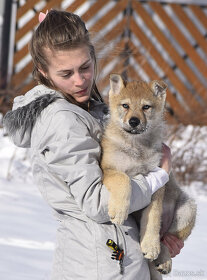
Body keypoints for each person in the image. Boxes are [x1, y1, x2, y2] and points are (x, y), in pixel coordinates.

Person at [3, 10, 183, 280]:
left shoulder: (88, 109)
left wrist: (156, 230)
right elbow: (99, 204)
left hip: (113, 257)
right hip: (103, 265)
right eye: (66, 73)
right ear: (43, 71)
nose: (79, 80)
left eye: (85, 67)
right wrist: (157, 176)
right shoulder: (63, 120)